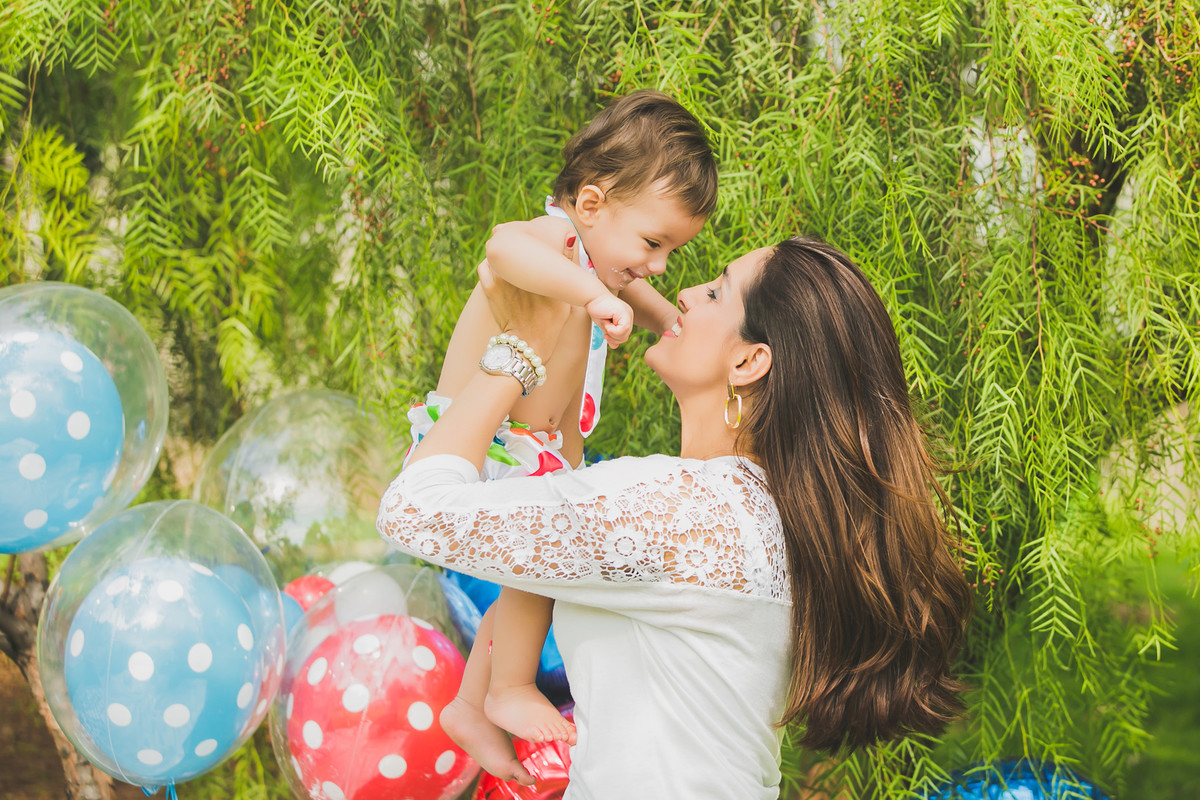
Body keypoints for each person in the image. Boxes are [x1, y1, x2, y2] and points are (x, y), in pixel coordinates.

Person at [377, 235, 973, 797]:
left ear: (749, 362)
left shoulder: (680, 510)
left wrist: (519, 350)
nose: (684, 293)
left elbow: (414, 511)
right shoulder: (765, 514)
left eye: (715, 292)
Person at [402, 90, 717, 760]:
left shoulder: (600, 262)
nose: (658, 265)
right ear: (592, 203)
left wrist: (668, 318)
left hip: (539, 450)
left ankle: (470, 705)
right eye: (654, 243)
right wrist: (594, 294)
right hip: (485, 440)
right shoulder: (556, 239)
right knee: (538, 576)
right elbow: (502, 250)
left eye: (670, 250)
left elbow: (636, 291)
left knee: (536, 574)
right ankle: (508, 688)